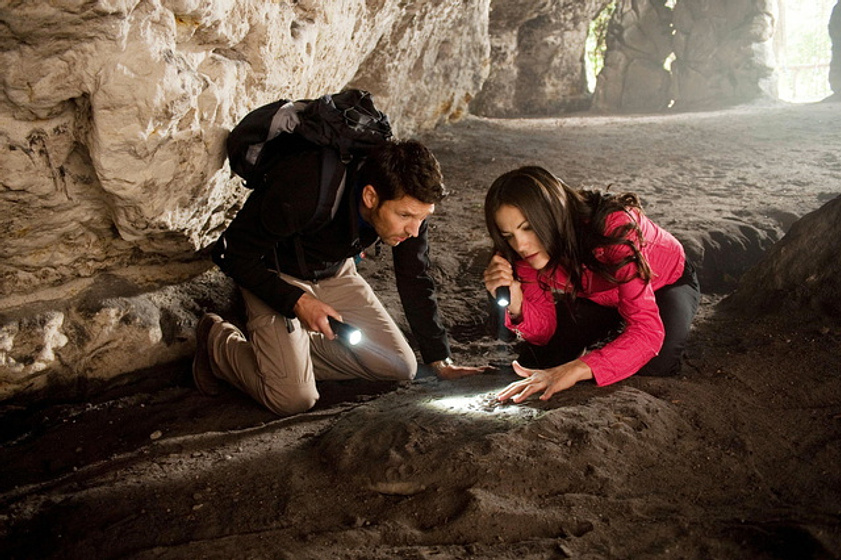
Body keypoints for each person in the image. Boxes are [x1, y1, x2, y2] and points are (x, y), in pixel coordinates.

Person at [193, 139, 485, 415]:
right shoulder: (306, 189)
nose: (414, 230)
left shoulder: (410, 211)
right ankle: (216, 339)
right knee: (293, 397)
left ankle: (287, 353)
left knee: (400, 366)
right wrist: (297, 302)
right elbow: (228, 254)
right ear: (371, 196)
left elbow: (414, 274)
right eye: (405, 216)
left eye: (423, 218)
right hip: (276, 272)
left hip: (335, 269)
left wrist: (439, 358)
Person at [482, 166, 700, 404]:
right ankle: (613, 330)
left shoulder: (614, 227)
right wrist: (516, 303)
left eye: (528, 228)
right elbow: (543, 333)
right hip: (599, 296)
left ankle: (615, 336)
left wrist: (575, 370)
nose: (521, 245)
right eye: (508, 235)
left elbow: (647, 333)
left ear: (552, 214)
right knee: (541, 358)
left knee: (657, 362)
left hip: (664, 282)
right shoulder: (521, 256)